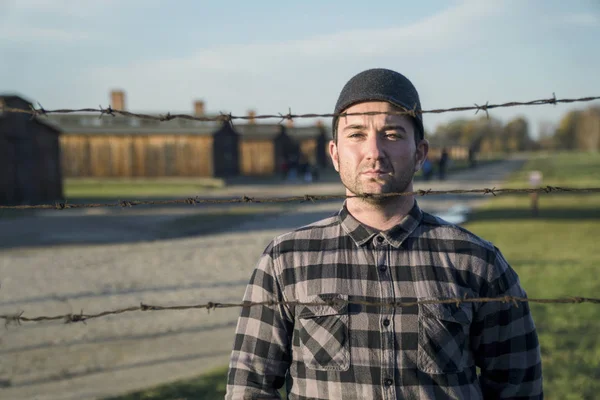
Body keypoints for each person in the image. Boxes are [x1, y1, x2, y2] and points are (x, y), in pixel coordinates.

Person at [225, 68, 543, 399]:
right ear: (334, 154)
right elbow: (249, 388)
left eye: (392, 134)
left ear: (420, 153)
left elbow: (519, 387)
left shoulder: (477, 262)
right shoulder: (285, 260)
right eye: (357, 134)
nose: (374, 151)